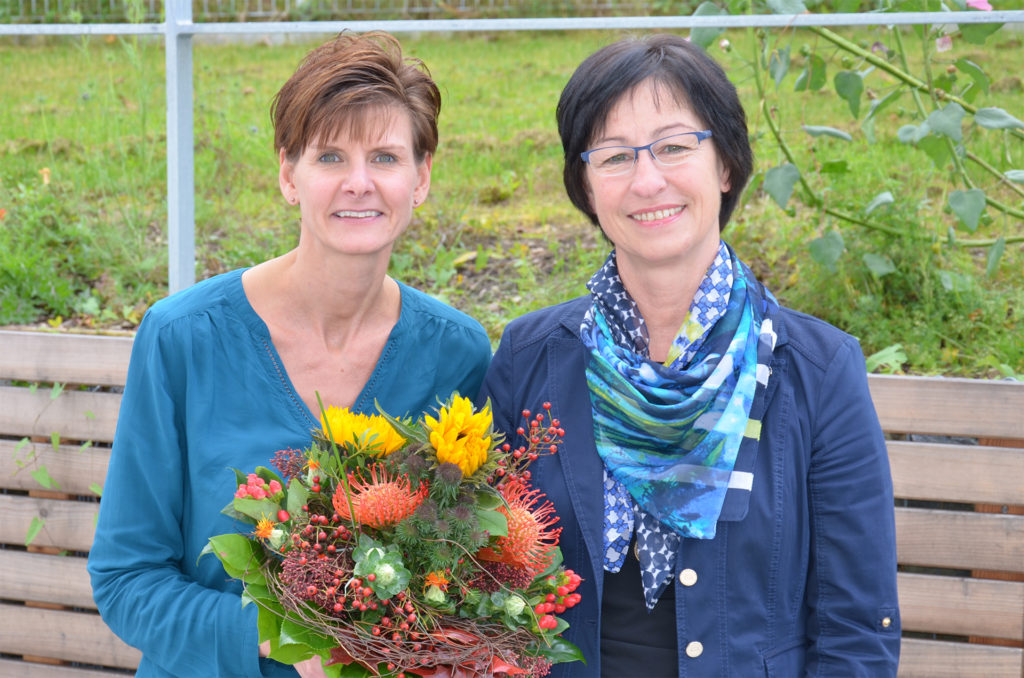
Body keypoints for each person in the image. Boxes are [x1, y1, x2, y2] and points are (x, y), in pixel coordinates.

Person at [478, 34, 900, 677]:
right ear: (586, 187)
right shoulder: (529, 360)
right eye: (614, 157)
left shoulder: (816, 370)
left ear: (725, 166)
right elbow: (485, 591)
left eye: (675, 147)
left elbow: (855, 629)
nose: (648, 180)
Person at [88, 31, 491, 678]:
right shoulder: (182, 338)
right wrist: (285, 637)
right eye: (330, 157)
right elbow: (126, 581)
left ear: (421, 179)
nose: (359, 183)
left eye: (385, 158)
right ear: (288, 176)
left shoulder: (455, 353)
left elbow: (464, 566)